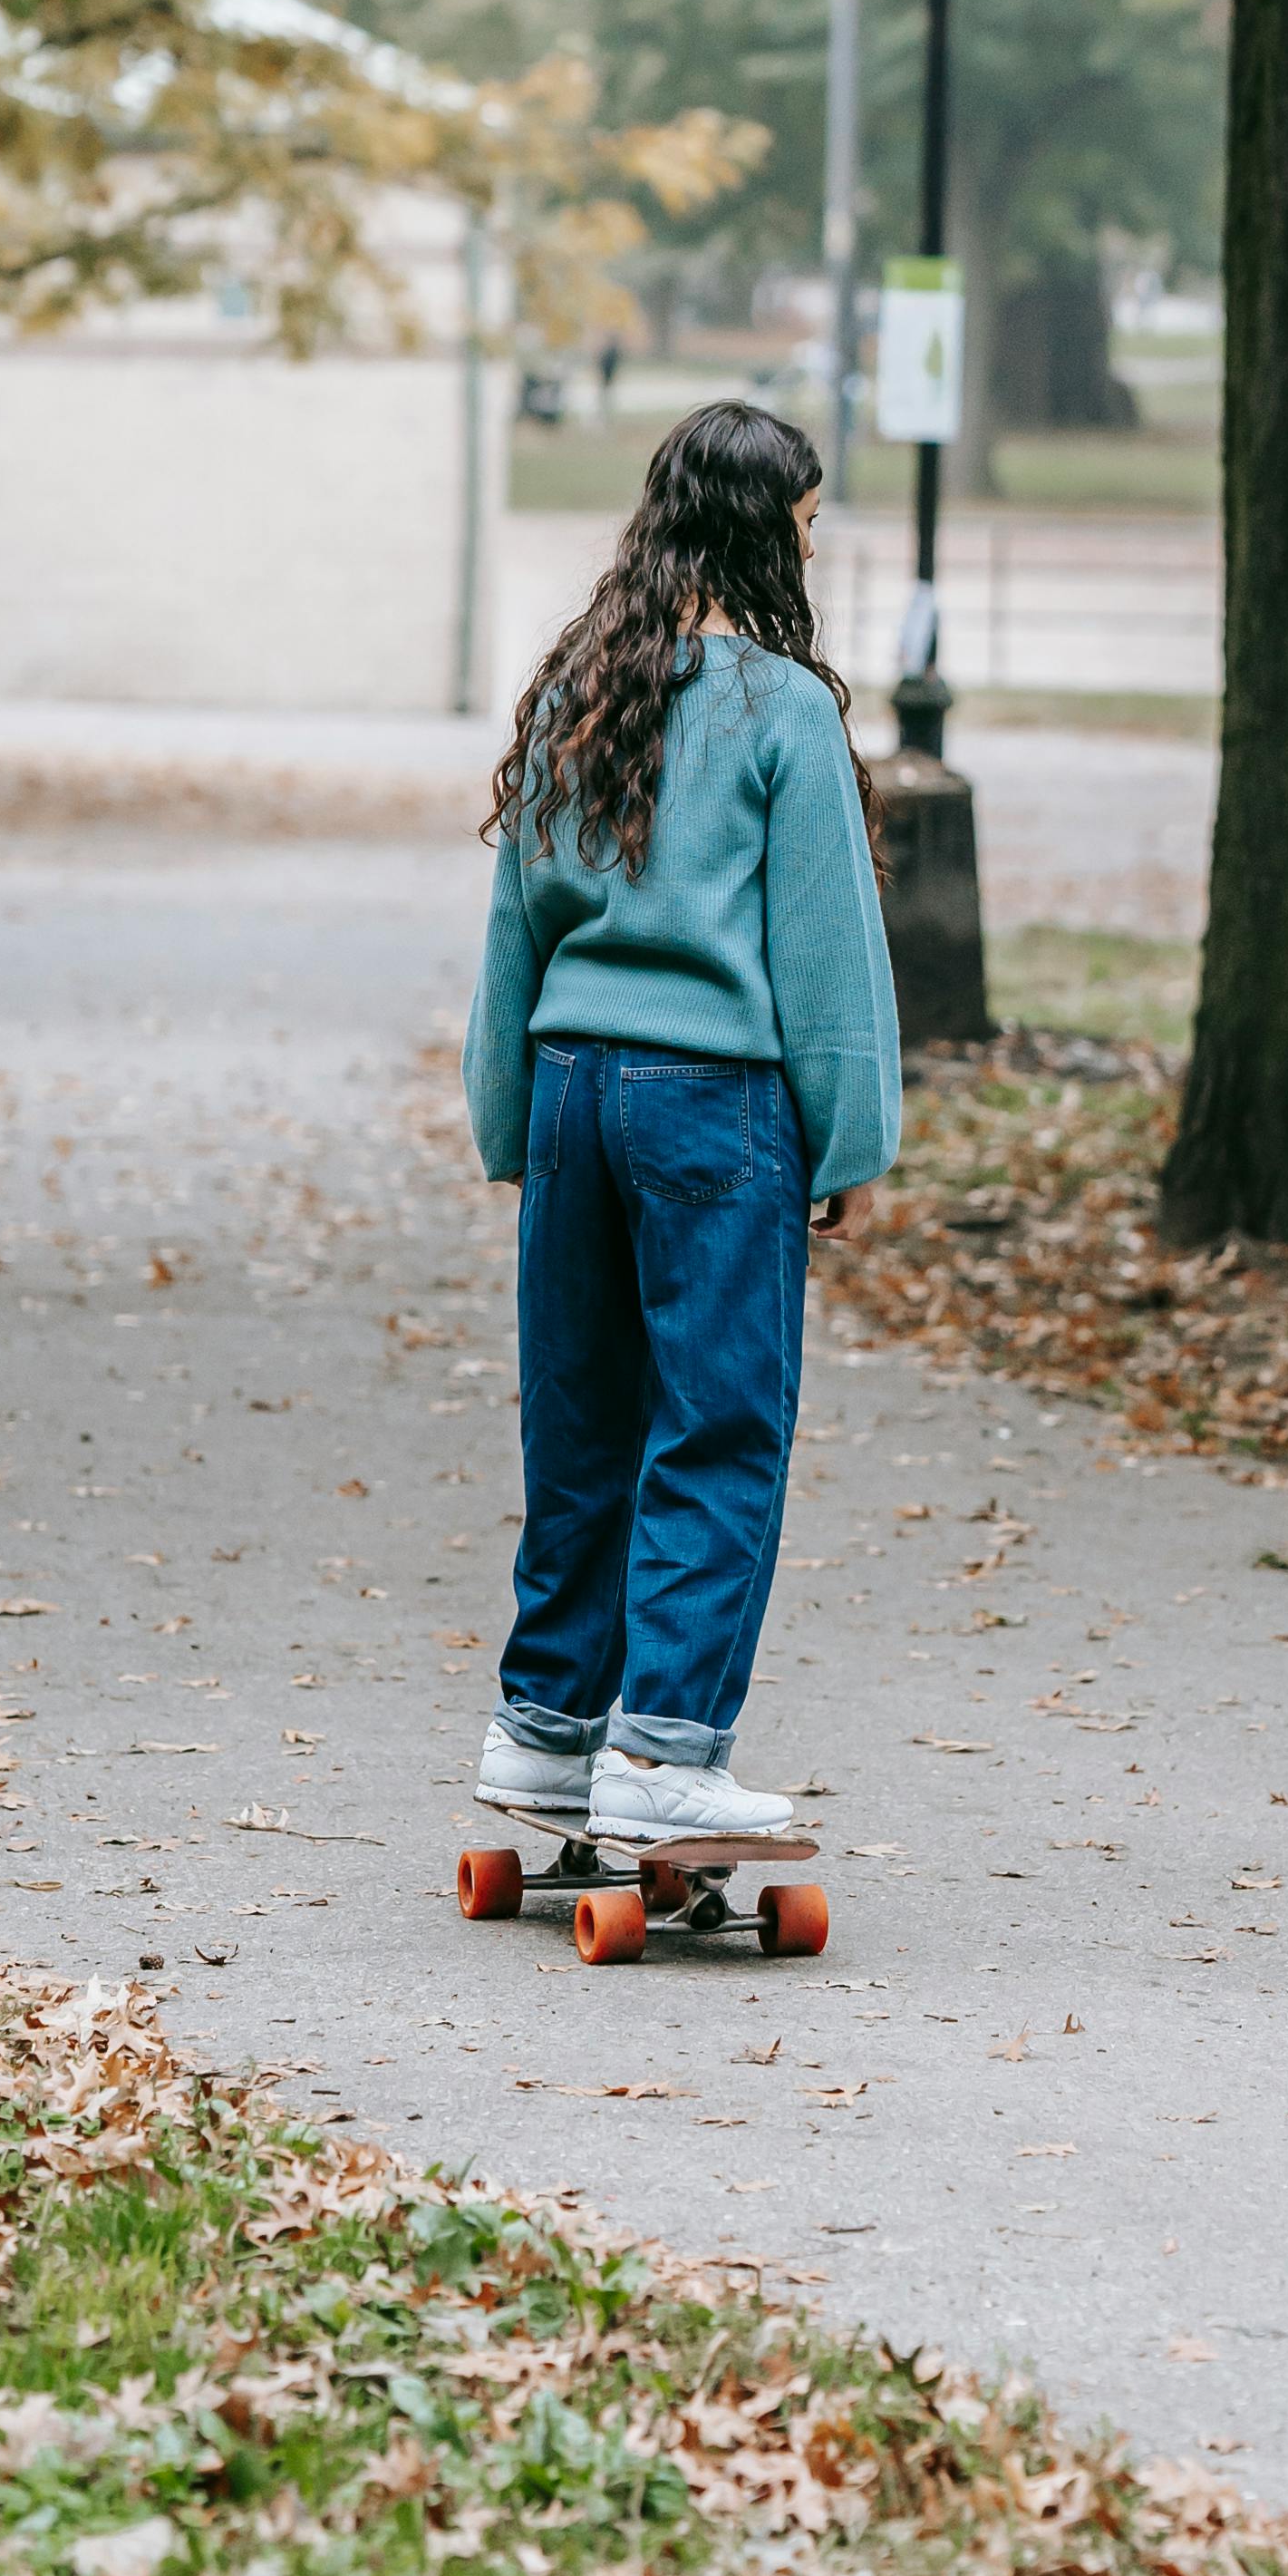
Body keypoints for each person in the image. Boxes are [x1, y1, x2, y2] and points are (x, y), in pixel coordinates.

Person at [463, 398, 900, 1844]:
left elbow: (513, 926)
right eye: (809, 521)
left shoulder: (583, 690)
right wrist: (849, 1139)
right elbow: (827, 949)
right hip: (715, 1106)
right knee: (718, 1425)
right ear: (767, 529)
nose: (814, 546)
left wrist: (508, 1119)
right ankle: (662, 1754)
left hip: (577, 1088)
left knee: (583, 1419)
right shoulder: (779, 708)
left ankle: (545, 1730)